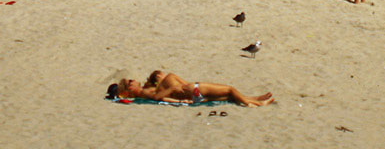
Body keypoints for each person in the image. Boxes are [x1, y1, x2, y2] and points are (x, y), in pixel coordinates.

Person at [108, 70, 273, 107]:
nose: (135, 80)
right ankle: (256, 104)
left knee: (228, 96)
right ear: (130, 87)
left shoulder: (145, 91)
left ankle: (254, 99)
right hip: (191, 90)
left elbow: (160, 97)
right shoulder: (144, 93)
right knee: (230, 90)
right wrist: (175, 91)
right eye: (131, 81)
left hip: (190, 92)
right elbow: (160, 98)